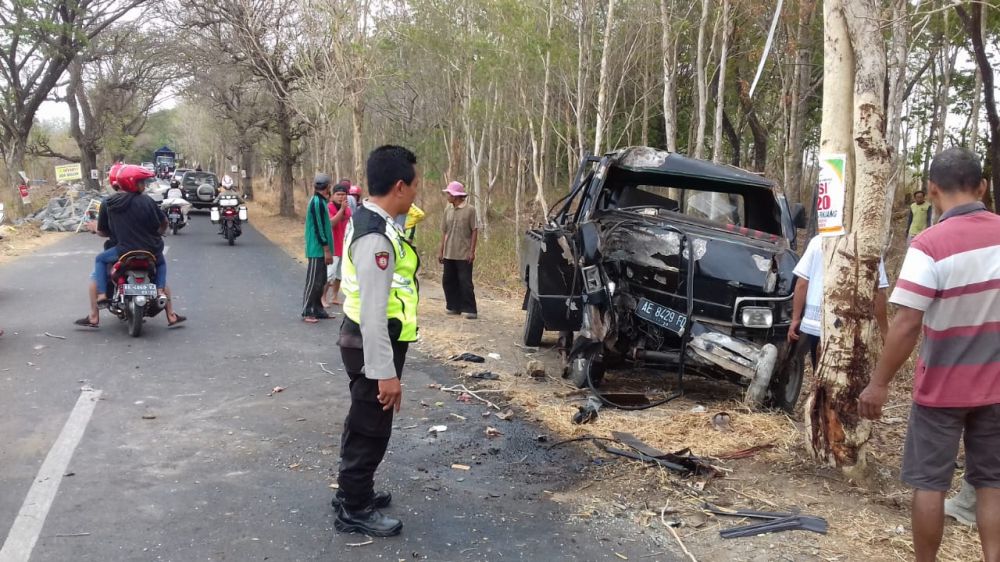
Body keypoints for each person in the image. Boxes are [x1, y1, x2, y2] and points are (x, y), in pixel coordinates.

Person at [859, 147, 1000, 562]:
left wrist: (878, 384)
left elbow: (906, 323)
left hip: (941, 389)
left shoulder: (929, 244)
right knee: (992, 484)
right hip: (997, 389)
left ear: (932, 190)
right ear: (983, 187)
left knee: (930, 485)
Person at [333, 145, 420, 537]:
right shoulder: (376, 237)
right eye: (415, 186)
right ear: (399, 186)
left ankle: (353, 492)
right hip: (372, 345)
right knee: (371, 428)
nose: (417, 193)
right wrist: (385, 373)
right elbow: (373, 313)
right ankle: (354, 509)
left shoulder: (371, 217)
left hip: (367, 341)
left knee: (363, 419)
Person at [74, 165, 185, 328]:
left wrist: (95, 229)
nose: (144, 186)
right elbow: (163, 223)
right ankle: (166, 304)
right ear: (132, 182)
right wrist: (158, 233)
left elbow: (104, 231)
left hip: (122, 250)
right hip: (150, 250)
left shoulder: (109, 203)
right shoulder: (147, 201)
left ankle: (99, 302)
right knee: (160, 264)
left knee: (100, 261)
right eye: (142, 182)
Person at [788, 234, 890, 368]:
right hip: (852, 326)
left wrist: (795, 318)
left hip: (818, 324)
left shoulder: (818, 241)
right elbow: (879, 292)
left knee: (819, 369)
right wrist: (885, 331)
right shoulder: (869, 245)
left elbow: (802, 283)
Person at [437, 181, 479, 319]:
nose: (447, 196)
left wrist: (472, 251)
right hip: (449, 252)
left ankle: (470, 309)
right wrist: (441, 250)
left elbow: (474, 230)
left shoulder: (470, 210)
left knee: (465, 282)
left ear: (455, 195)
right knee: (448, 280)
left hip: (463, 253)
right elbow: (444, 231)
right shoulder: (447, 210)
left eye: (449, 194)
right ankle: (453, 306)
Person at [302, 174, 334, 323]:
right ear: (328, 186)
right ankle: (307, 310)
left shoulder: (322, 201)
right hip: (317, 248)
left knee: (321, 280)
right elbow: (319, 227)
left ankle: (318, 309)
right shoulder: (316, 202)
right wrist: (326, 249)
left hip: (321, 248)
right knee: (313, 280)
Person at [322, 182, 352, 308]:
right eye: (338, 194)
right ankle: (322, 297)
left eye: (343, 194)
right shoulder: (328, 208)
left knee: (340, 274)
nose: (341, 197)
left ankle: (334, 296)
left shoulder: (347, 209)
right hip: (332, 247)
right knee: (329, 275)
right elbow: (331, 223)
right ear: (333, 195)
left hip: (344, 246)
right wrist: (342, 210)